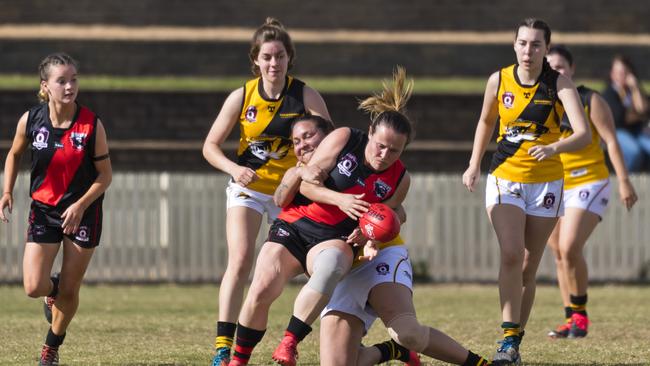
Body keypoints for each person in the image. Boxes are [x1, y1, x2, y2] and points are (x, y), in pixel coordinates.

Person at [227, 67, 412, 366]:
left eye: (395, 150)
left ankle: (289, 342)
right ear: (370, 134)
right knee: (262, 288)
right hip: (297, 223)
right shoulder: (345, 139)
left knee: (333, 264)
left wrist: (368, 233)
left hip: (335, 238)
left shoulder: (401, 178)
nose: (384, 155)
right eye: (380, 145)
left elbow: (390, 214)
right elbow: (310, 186)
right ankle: (238, 359)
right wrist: (341, 199)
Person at [462, 18, 592, 366]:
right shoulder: (498, 80)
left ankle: (514, 342)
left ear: (546, 49)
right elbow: (486, 121)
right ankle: (507, 336)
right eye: (522, 43)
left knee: (529, 267)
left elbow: (584, 134)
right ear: (514, 44)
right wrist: (474, 163)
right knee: (511, 254)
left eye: (536, 44)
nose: (528, 50)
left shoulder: (559, 84)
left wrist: (554, 149)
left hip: (546, 182)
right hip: (505, 176)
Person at [202, 17, 330, 366]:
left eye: (280, 57)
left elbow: (330, 144)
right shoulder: (242, 95)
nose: (274, 63)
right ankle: (223, 347)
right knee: (241, 259)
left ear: (290, 58)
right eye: (267, 57)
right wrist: (234, 168)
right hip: (249, 189)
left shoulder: (304, 94)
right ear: (256, 60)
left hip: (292, 194)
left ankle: (314, 333)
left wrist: (304, 173)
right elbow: (210, 146)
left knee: (315, 264)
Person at [0, 52, 112, 366]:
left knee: (71, 288)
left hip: (83, 211)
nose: (69, 86)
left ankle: (50, 349)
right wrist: (7, 190)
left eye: (73, 79)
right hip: (44, 209)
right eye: (61, 80)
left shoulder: (91, 124)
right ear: (45, 86)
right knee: (34, 286)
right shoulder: (31, 119)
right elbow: (14, 154)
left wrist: (79, 205)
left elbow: (105, 177)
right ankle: (54, 290)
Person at [545, 45, 638, 339]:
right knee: (559, 252)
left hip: (590, 181)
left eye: (560, 67)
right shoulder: (542, 103)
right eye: (550, 67)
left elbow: (611, 141)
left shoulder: (589, 99)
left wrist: (624, 180)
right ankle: (569, 318)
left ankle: (581, 315)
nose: (555, 72)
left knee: (570, 246)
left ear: (571, 69)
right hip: (557, 185)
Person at [601, 55, 650, 172]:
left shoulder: (633, 91)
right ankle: (627, 180)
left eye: (624, 72)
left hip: (636, 130)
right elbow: (620, 118)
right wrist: (638, 115)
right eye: (617, 72)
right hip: (617, 130)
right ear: (612, 74)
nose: (621, 76)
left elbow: (644, 110)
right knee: (634, 152)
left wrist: (635, 88)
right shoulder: (610, 93)